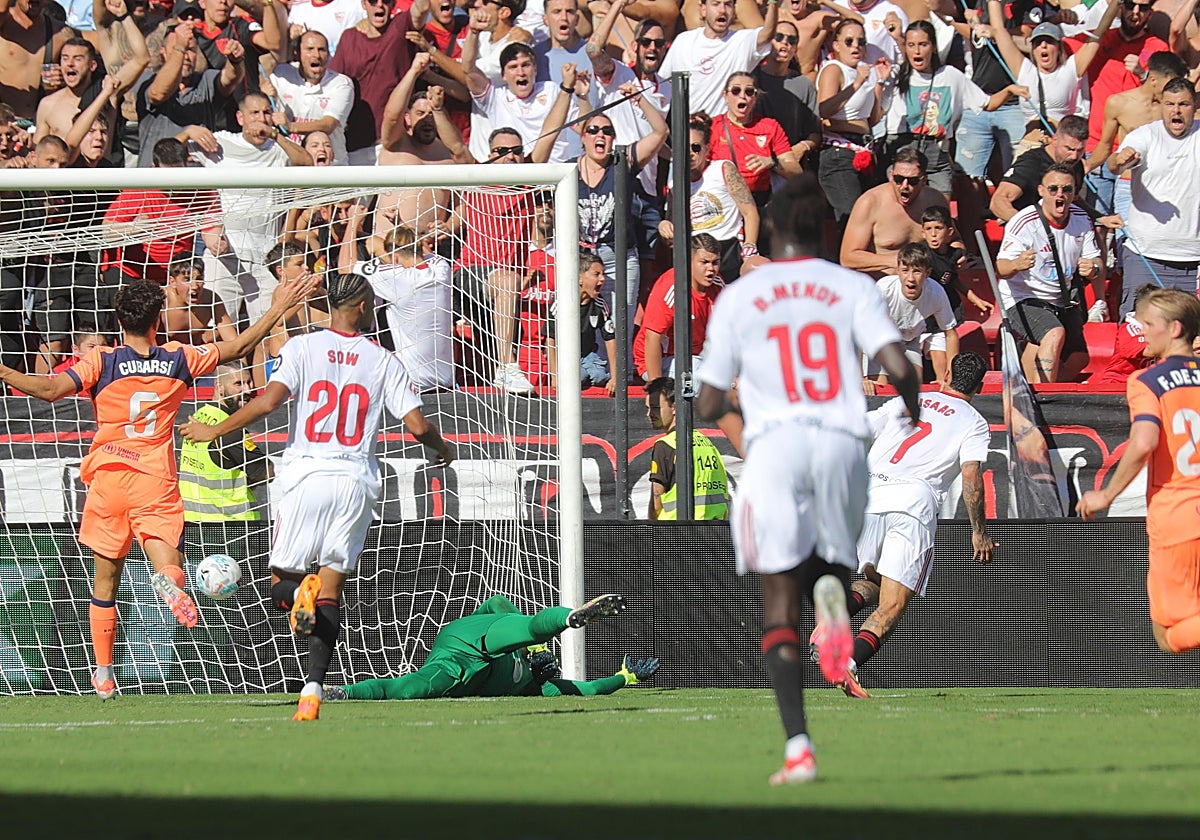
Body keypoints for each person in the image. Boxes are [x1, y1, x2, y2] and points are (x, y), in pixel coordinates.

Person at [694, 173, 920, 785]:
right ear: (824, 230)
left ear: (768, 229)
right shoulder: (852, 287)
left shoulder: (741, 296)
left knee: (777, 601)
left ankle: (798, 747)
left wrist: (738, 417)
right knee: (833, 562)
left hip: (777, 446)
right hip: (842, 442)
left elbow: (709, 399)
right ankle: (835, 593)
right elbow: (899, 365)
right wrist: (916, 406)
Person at [0, 274, 320, 700]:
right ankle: (168, 581)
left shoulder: (102, 361)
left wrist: (3, 369)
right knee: (170, 563)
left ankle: (102, 673)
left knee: (105, 583)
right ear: (157, 322)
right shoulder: (177, 358)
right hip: (154, 478)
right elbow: (241, 347)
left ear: (118, 320)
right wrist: (279, 306)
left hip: (110, 476)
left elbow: (49, 390)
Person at [180, 272, 455, 721]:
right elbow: (418, 427)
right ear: (364, 307)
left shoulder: (301, 348)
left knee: (281, 584)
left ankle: (297, 596)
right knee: (332, 587)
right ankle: (313, 691)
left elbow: (268, 403)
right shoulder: (383, 360)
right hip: (354, 481)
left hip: (305, 474)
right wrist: (444, 450)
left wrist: (214, 428)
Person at [823, 351, 995, 697]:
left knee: (872, 582)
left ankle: (833, 616)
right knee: (894, 603)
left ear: (945, 373)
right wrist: (978, 530)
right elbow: (971, 474)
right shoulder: (974, 422)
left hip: (869, 494)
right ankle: (846, 662)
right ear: (978, 387)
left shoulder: (910, 398)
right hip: (911, 504)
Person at [1078, 289, 1200, 655]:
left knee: (1169, 635)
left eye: (1147, 323)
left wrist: (1106, 494)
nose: (1140, 331)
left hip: (1178, 515)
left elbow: (1144, 442)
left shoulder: (1147, 381)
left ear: (1175, 328)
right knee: (1169, 634)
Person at [323, 593, 641, 700]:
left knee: (409, 689)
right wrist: (530, 651)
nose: (545, 668)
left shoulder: (538, 687)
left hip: (468, 663)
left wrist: (625, 678)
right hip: (470, 642)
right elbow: (497, 601)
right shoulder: (526, 656)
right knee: (532, 629)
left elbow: (587, 689)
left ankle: (344, 693)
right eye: (546, 662)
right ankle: (570, 617)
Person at [884, 20, 1028, 198]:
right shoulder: (896, 75)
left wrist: (1009, 90)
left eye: (923, 44)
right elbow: (876, 112)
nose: (917, 51)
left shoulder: (951, 75)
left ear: (934, 47)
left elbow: (987, 103)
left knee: (940, 212)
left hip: (936, 152)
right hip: (903, 150)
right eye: (911, 45)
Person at [996, 163, 1102, 383]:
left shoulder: (1081, 219)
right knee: (1053, 334)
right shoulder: (1024, 222)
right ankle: (1046, 398)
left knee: (1078, 359)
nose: (1060, 195)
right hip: (1024, 296)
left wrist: (1094, 268)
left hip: (1061, 299)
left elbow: (1096, 260)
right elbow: (1001, 268)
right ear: (1041, 191)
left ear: (1075, 192)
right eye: (1053, 189)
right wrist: (1017, 264)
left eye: (1067, 189)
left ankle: (1033, 386)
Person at [1110, 77, 1200, 318]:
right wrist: (1120, 160)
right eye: (1170, 104)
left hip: (1194, 262)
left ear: (1195, 105)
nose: (1176, 111)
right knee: (1136, 340)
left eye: (1183, 104)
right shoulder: (1145, 136)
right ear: (1161, 105)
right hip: (1146, 256)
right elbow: (1115, 165)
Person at [339, 206, 454, 392]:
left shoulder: (399, 279)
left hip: (413, 385)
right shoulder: (441, 268)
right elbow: (422, 249)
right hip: (446, 382)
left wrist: (353, 221)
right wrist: (400, 225)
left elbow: (345, 269)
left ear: (396, 256)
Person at [135, 18, 245, 166]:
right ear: (163, 53)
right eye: (178, 49)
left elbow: (228, 80)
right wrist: (180, 47)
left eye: (191, 50)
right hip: (154, 181)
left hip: (196, 183)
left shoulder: (205, 81)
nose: (186, 56)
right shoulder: (148, 80)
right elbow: (159, 93)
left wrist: (235, 61)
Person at [178, 360, 271, 522]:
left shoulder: (199, 415)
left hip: (194, 521)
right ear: (219, 387)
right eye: (238, 384)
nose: (248, 389)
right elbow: (266, 473)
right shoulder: (229, 429)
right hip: (231, 525)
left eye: (249, 382)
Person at [327, 0, 416, 165]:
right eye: (373, 1)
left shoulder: (400, 27)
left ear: (394, 4)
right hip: (355, 143)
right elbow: (333, 85)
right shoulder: (349, 37)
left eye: (386, 1)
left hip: (392, 145)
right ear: (363, 4)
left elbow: (422, 7)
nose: (380, 5)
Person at [816, 18, 886, 225]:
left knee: (867, 219)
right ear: (836, 45)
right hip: (839, 152)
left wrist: (879, 83)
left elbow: (871, 119)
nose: (856, 46)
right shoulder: (834, 69)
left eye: (861, 41)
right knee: (851, 219)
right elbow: (824, 109)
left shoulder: (865, 72)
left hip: (864, 148)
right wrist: (855, 84)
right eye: (849, 41)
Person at [840, 146, 949, 278]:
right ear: (891, 176)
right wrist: (898, 261)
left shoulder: (935, 200)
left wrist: (959, 253)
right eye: (898, 179)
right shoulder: (870, 203)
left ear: (923, 180)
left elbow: (953, 238)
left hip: (924, 287)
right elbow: (847, 258)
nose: (904, 186)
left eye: (912, 181)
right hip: (882, 288)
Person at [659, 0, 779, 117]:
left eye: (728, 5)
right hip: (689, 128)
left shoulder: (742, 41)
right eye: (716, 4)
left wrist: (773, 2)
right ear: (703, 9)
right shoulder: (683, 41)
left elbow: (767, 33)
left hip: (724, 130)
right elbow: (663, 83)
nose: (722, 10)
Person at [633, 234, 724, 383]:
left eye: (715, 263)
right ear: (689, 261)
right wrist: (656, 386)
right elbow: (652, 338)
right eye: (704, 262)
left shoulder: (718, 284)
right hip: (660, 359)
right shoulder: (673, 288)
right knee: (703, 378)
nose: (711, 269)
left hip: (699, 356)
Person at [866, 242, 959, 386]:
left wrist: (951, 373)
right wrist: (861, 377)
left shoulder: (936, 293)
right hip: (880, 342)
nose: (910, 278)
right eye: (905, 271)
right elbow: (860, 329)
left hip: (910, 341)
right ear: (897, 271)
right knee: (879, 388)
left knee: (913, 390)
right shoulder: (883, 290)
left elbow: (951, 333)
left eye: (917, 271)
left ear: (927, 273)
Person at [708, 71, 801, 209]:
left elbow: (796, 172)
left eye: (749, 91)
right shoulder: (712, 127)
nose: (742, 96)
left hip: (759, 201)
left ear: (756, 97)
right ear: (725, 96)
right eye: (735, 90)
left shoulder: (770, 126)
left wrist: (772, 163)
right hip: (723, 202)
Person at [645, 375, 729, 520]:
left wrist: (651, 530)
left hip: (677, 533)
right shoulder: (707, 443)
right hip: (715, 531)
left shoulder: (666, 445)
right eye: (648, 408)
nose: (650, 414)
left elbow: (657, 503)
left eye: (656, 408)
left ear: (674, 408)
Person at [268, 30, 354, 165]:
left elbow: (328, 124)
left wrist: (291, 126)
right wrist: (264, 91)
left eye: (322, 50)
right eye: (310, 49)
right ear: (297, 53)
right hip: (290, 167)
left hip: (331, 168)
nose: (316, 55)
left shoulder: (341, 84)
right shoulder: (282, 74)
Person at [990, 114, 1089, 222]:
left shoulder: (1075, 165)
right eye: (1069, 149)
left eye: (1080, 150)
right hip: (1027, 228)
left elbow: (1074, 200)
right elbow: (998, 201)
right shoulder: (1031, 163)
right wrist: (1029, 226)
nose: (1074, 156)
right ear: (1055, 140)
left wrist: (1099, 217)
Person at [546, 251, 618, 395]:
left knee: (599, 377)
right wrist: (554, 375)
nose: (603, 279)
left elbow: (610, 339)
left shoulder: (600, 304)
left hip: (587, 355)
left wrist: (615, 377)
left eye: (603, 274)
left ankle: (584, 372)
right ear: (580, 279)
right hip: (564, 356)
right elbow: (550, 339)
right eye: (596, 274)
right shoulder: (561, 303)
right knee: (578, 378)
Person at [0, 0, 73, 123]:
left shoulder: (60, 32)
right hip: (4, 125)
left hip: (40, 125)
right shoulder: (4, 24)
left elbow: (90, 55)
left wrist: (67, 77)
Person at [921, 204, 991, 322]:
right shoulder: (919, 254)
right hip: (924, 309)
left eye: (938, 228)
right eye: (928, 229)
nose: (933, 234)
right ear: (923, 233)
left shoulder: (954, 254)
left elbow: (951, 279)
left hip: (948, 305)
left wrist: (976, 300)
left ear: (950, 232)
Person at [1086, 282, 1156, 388]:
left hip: (1141, 386)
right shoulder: (1129, 329)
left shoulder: (1158, 331)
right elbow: (1149, 350)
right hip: (1115, 385)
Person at [161, 257, 237, 345]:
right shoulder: (161, 299)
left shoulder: (211, 299)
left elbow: (233, 342)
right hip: (164, 355)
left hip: (196, 354)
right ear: (173, 282)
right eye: (187, 280)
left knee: (216, 336)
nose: (195, 286)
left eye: (199, 279)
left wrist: (240, 358)